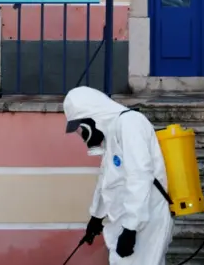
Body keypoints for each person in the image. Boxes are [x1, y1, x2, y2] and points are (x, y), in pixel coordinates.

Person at [63, 86, 174, 264]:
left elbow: (140, 177)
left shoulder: (130, 123)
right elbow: (107, 179)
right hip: (126, 222)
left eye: (79, 129)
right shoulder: (112, 132)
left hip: (146, 223)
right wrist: (97, 216)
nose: (81, 135)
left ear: (90, 118)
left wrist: (131, 228)